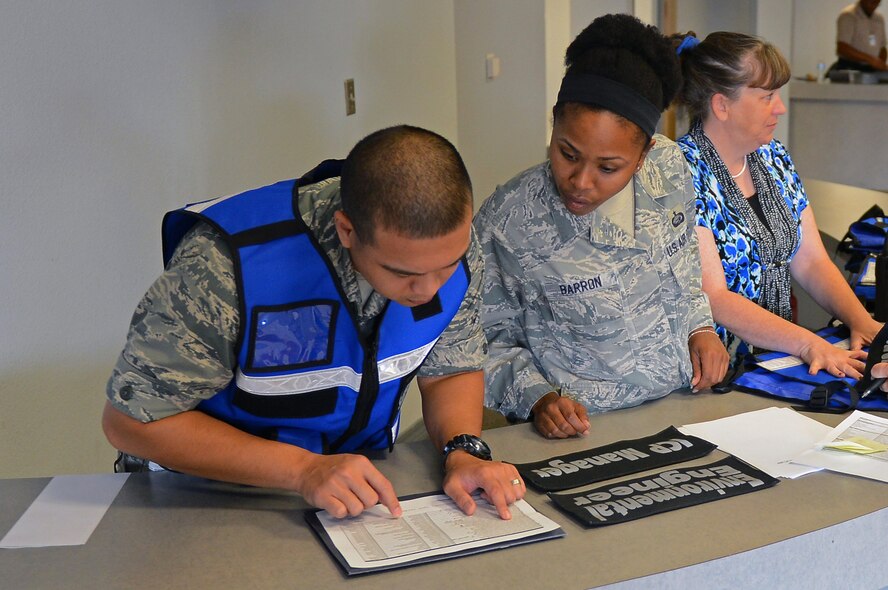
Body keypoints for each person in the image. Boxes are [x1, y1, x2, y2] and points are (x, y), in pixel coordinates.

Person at [102, 125, 525, 520]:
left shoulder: (455, 250)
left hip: (346, 494)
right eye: (403, 274)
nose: (430, 289)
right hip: (199, 496)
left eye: (446, 267)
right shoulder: (226, 264)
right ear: (347, 230)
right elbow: (134, 420)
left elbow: (451, 367)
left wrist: (463, 450)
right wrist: (303, 471)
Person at [474, 14, 729, 440]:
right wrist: (537, 397)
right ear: (554, 122)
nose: (581, 181)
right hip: (583, 432)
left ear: (645, 153)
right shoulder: (509, 219)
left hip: (680, 407)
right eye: (567, 153)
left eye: (609, 167)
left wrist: (700, 327)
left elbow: (683, 266)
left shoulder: (669, 169)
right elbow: (480, 340)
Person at [676, 32, 884, 379]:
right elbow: (715, 296)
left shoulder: (773, 156)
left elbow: (812, 260)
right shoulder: (682, 170)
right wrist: (807, 344)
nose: (780, 107)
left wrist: (862, 322)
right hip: (718, 372)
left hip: (776, 360)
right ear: (722, 105)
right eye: (767, 96)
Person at [833, 0, 887, 72]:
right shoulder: (848, 15)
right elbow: (842, 48)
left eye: (877, 3)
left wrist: (880, 63)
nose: (874, 6)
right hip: (850, 68)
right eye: (871, 2)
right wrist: (871, 60)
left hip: (871, 69)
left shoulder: (879, 19)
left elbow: (882, 48)